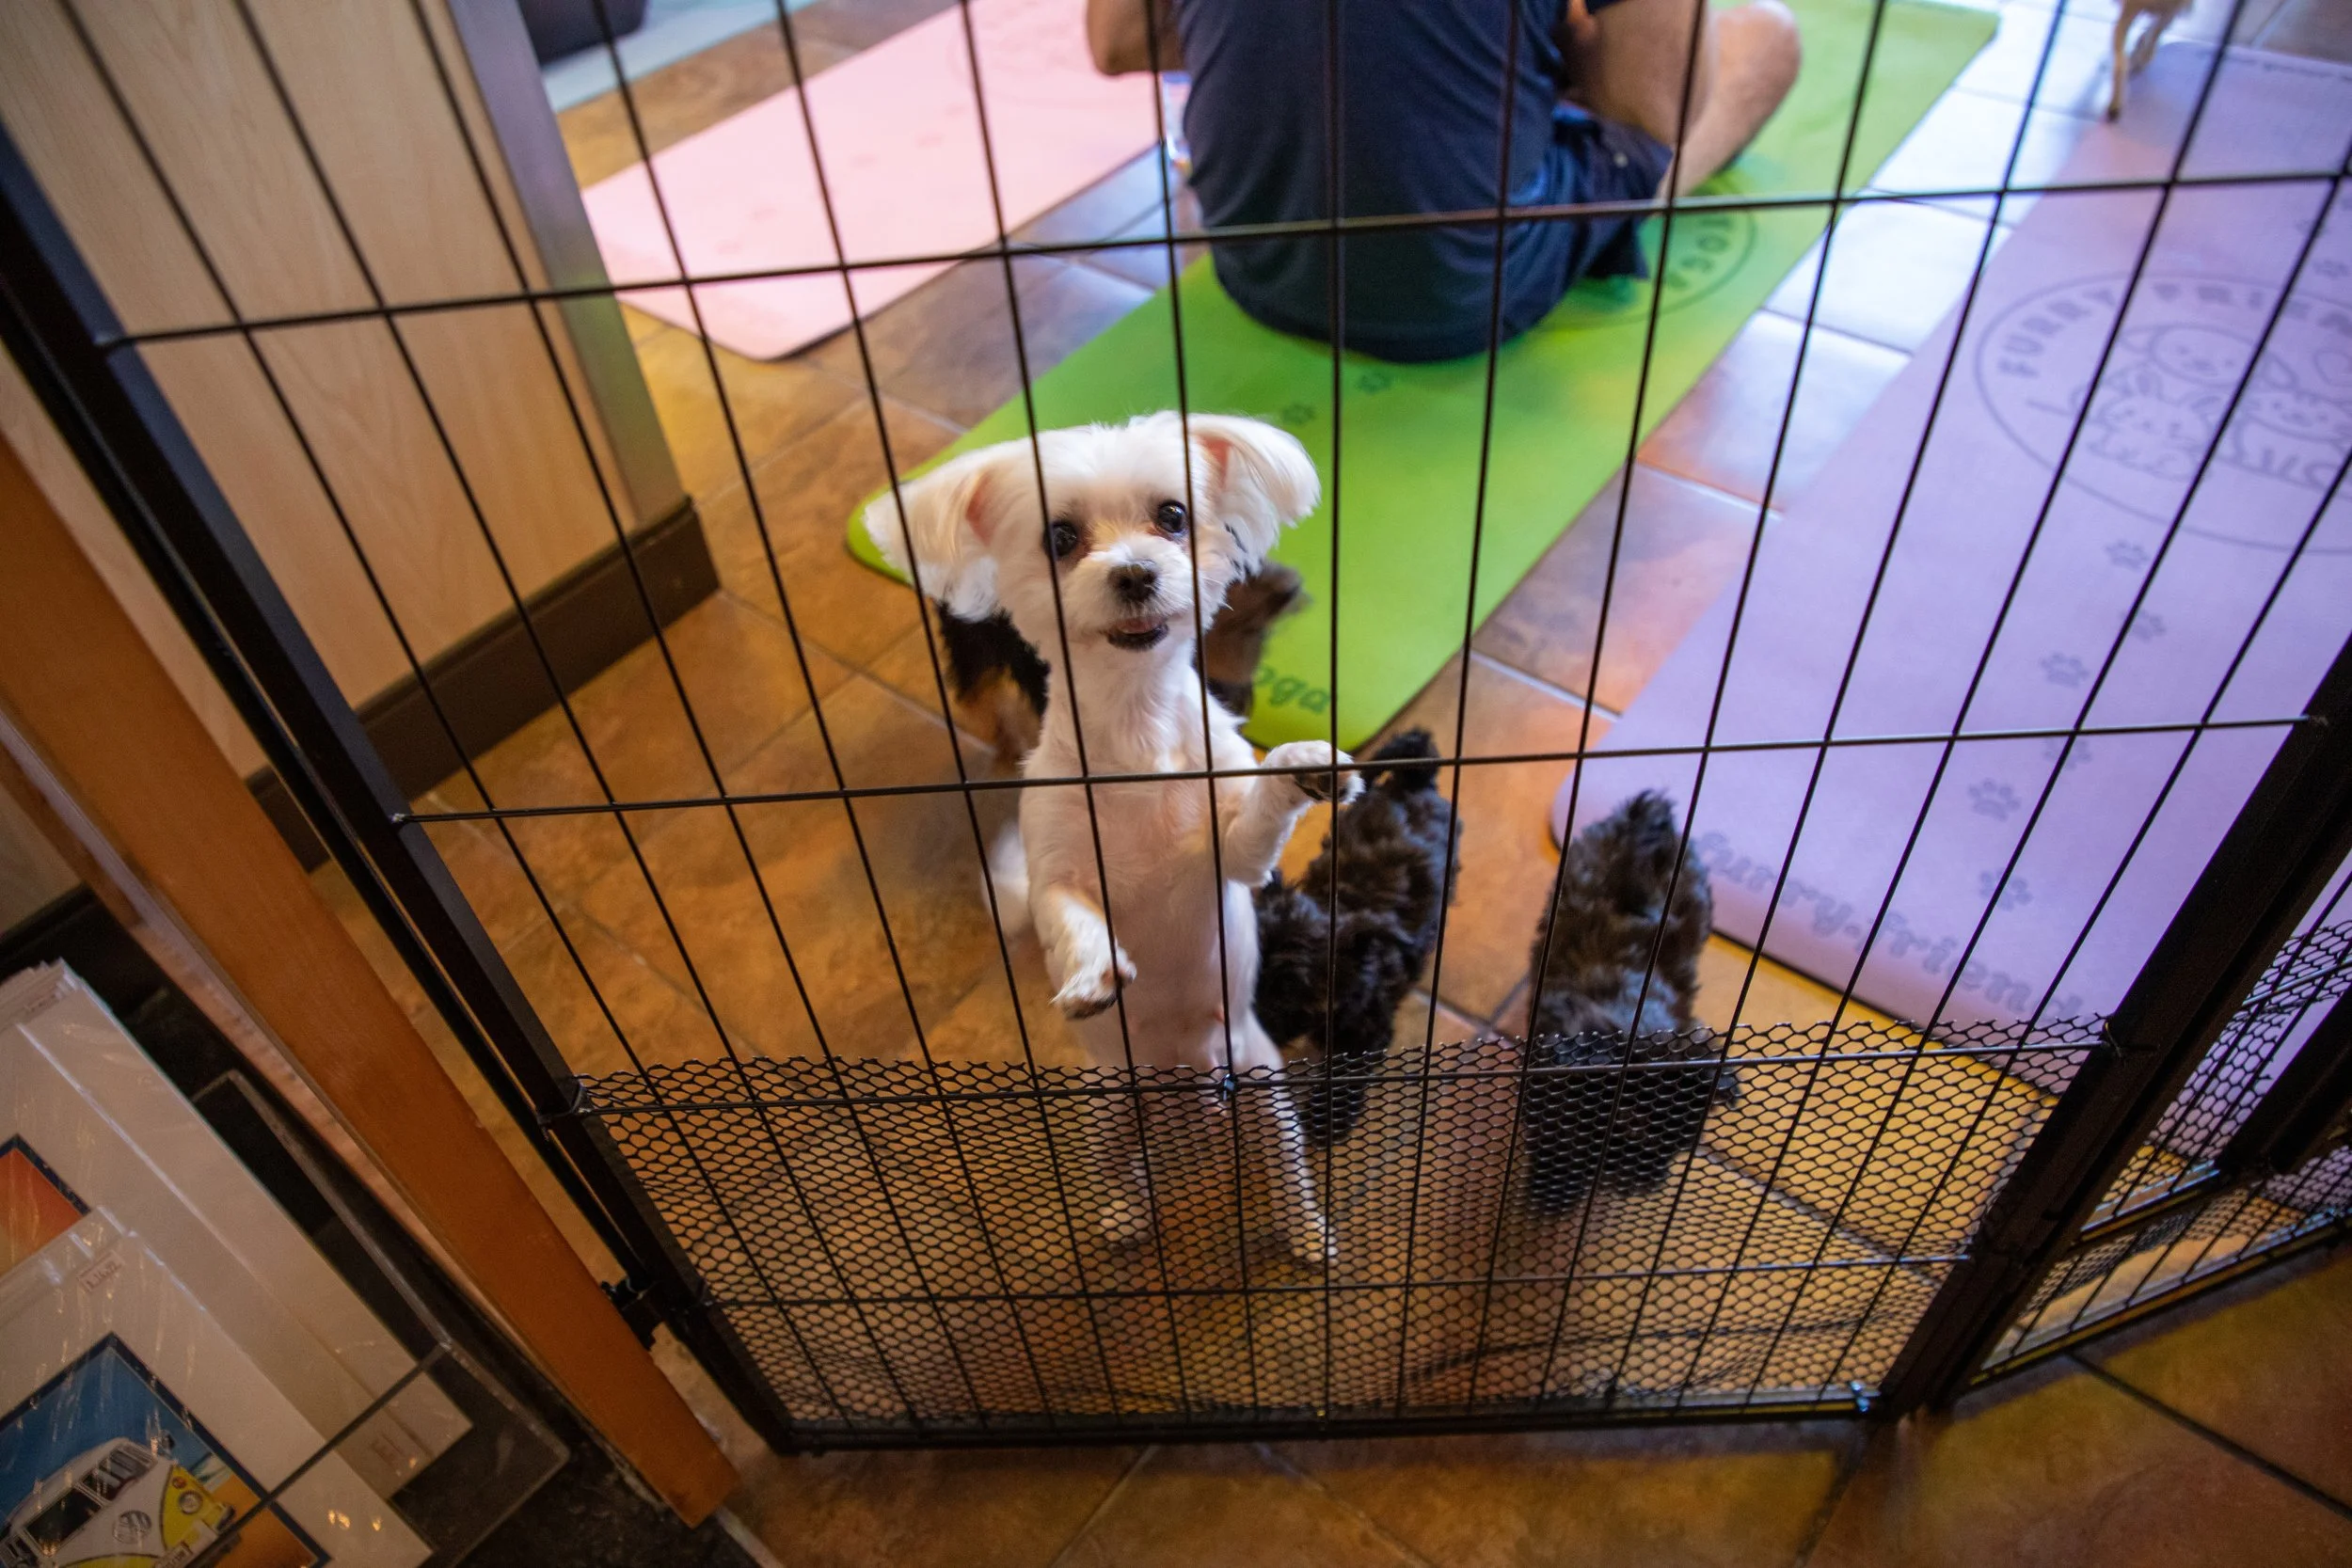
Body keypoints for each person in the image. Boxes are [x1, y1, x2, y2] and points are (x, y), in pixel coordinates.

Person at [1087, 0, 1801, 362]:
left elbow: (1116, 40)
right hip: (1458, 294)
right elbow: (1654, 107)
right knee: (1766, 36)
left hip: (1254, 253)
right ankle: (1610, 210)